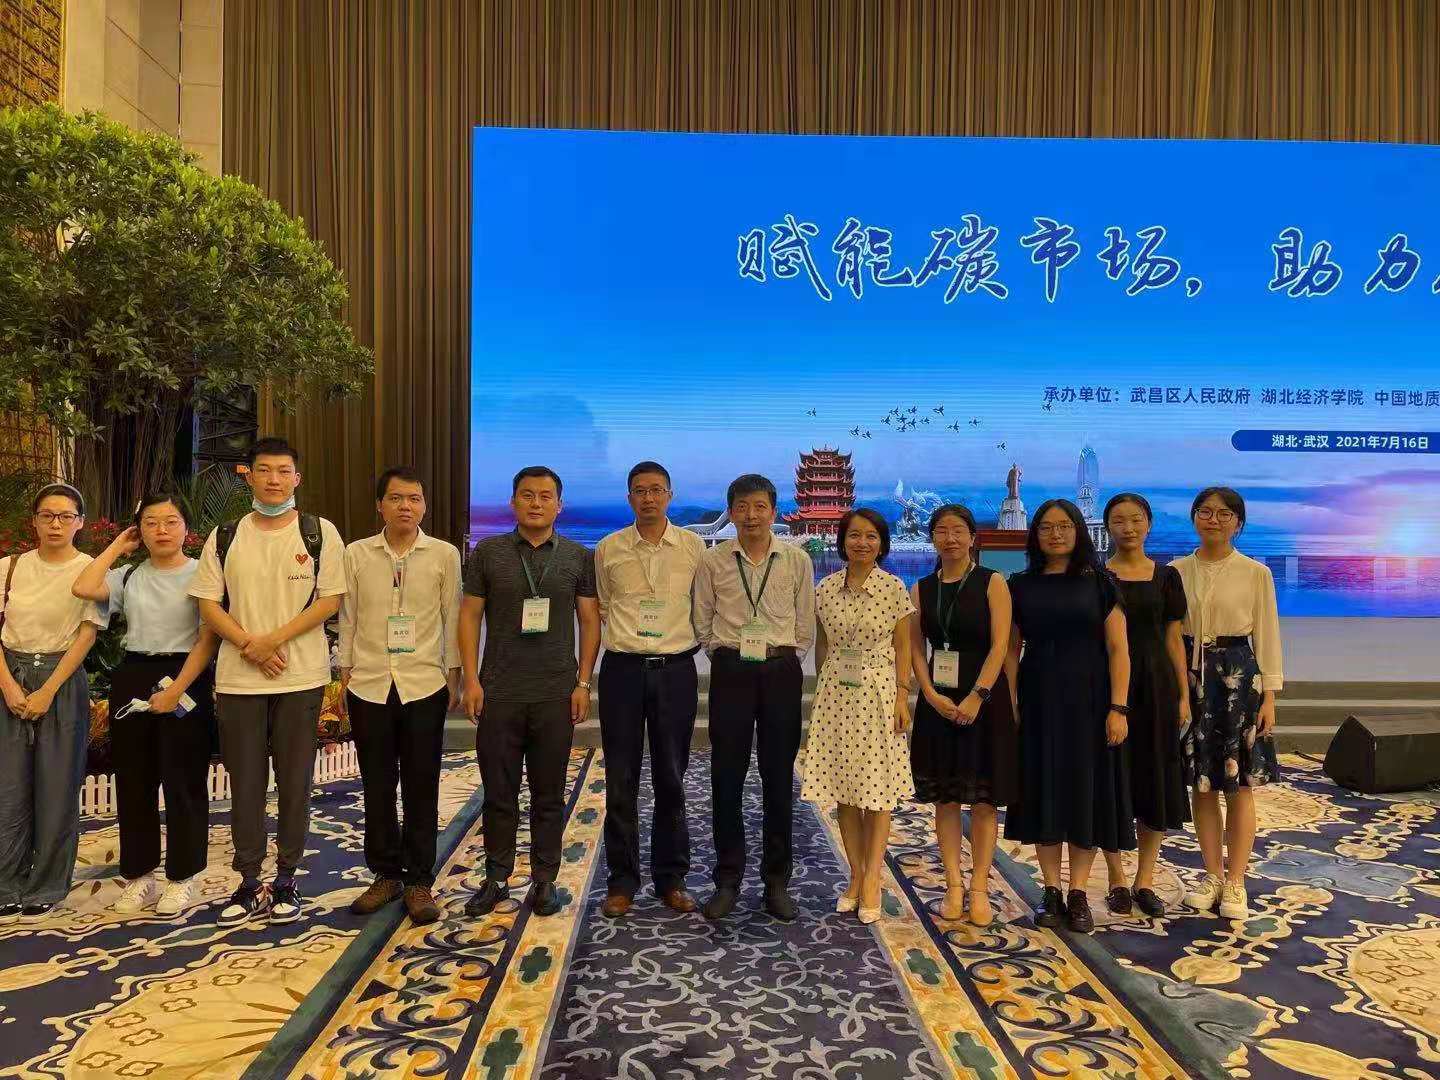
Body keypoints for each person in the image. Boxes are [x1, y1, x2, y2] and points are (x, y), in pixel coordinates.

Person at [190, 437, 346, 927]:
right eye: (264, 470)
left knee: (296, 782)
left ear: (296, 477)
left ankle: (286, 878)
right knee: (246, 784)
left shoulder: (319, 533)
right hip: (239, 681)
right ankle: (248, 879)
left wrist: (271, 641)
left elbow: (329, 601)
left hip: (299, 677)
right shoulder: (225, 536)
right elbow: (208, 603)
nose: (274, 479)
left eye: (283, 471)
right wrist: (247, 643)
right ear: (249, 476)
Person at [460, 466, 600, 919]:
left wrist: (583, 682)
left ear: (560, 505)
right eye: (527, 495)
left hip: (555, 692)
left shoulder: (578, 556)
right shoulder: (488, 553)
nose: (536, 503)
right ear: (513, 502)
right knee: (498, 793)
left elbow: (590, 621)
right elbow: (469, 616)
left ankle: (544, 880)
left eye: (545, 496)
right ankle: (496, 878)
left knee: (548, 794)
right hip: (499, 692)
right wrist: (471, 679)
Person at [72, 492, 220, 917]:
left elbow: (208, 637)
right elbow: (83, 586)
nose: (161, 530)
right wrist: (119, 546)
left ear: (186, 528)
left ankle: (183, 877)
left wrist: (177, 689)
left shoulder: (202, 574)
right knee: (134, 781)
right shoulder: (130, 574)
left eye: (171, 522)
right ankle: (139, 876)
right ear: (140, 530)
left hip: (185, 674)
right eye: (151, 523)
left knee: (183, 780)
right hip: (134, 673)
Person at [338, 467, 461, 926]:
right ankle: (386, 874)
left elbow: (452, 615)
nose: (405, 506)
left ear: (424, 506)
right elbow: (347, 615)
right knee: (377, 784)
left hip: (423, 683)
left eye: (414, 498)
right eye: (395, 498)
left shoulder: (444, 554)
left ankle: (419, 879)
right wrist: (345, 670)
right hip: (369, 683)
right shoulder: (357, 553)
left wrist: (453, 673)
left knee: (421, 784)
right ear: (380, 505)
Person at [1004, 498, 1133, 934]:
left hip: (1091, 702)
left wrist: (1118, 707)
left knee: (1084, 794)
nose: (1055, 534)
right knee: (1044, 792)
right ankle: (1052, 891)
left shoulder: (1100, 582)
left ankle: (1078, 892)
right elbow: (1011, 651)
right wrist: (1011, 701)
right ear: (1035, 535)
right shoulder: (1021, 585)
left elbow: (1119, 649)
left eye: (1063, 526)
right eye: (1046, 527)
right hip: (1039, 699)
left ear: (1077, 531)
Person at [693, 474, 815, 921]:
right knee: (726, 777)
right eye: (742, 507)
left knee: (778, 778)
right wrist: (722, 654)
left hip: (780, 670)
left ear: (773, 511)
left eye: (759, 506)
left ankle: (776, 882)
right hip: (731, 670)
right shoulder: (714, 560)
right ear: (731, 512)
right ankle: (727, 880)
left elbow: (805, 620)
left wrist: (789, 656)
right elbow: (702, 617)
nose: (751, 515)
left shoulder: (796, 559)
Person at [593, 462, 704, 918]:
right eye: (640, 491)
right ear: (629, 498)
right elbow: (603, 605)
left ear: (670, 495)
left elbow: (702, 604)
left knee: (672, 777)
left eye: (657, 490)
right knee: (620, 778)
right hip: (622, 670)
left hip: (675, 670)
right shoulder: (609, 548)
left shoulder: (693, 547)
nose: (648, 498)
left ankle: (671, 878)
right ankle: (621, 882)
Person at [1173, 487, 1282, 921]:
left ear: (1238, 522)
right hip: (1192, 676)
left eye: (1223, 514)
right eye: (1205, 512)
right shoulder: (1176, 570)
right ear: (1194, 518)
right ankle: (1212, 875)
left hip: (1238, 678)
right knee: (1201, 783)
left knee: (1240, 785)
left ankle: (1236, 880)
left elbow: (1268, 635)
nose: (1213, 520)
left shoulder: (1256, 572)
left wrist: (1269, 694)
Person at [801, 508, 913, 925]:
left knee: (877, 792)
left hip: (878, 694)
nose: (862, 543)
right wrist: (820, 691)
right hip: (836, 695)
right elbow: (823, 646)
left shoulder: (893, 588)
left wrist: (902, 696)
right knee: (845, 791)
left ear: (881, 544)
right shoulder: (825, 588)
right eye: (854, 536)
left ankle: (872, 879)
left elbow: (904, 647)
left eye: (870, 536)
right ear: (842, 541)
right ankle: (854, 874)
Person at [908, 504, 1017, 927]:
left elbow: (1000, 645)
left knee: (984, 800)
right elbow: (916, 649)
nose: (950, 538)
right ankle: (954, 884)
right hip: (939, 700)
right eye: (941, 531)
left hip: (984, 701)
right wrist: (929, 694)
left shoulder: (993, 582)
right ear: (933, 538)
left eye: (958, 531)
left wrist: (978, 695)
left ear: (973, 537)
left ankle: (980, 886)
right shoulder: (921, 589)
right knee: (947, 798)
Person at [0, 483, 105, 917]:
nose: (56, 524)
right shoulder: (9, 567)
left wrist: (47, 690)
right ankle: (6, 883)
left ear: (80, 522)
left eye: (65, 516)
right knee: (8, 788)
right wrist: (9, 686)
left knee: (57, 787)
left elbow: (87, 635)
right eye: (47, 515)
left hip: (61, 679)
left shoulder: (91, 570)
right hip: (10, 673)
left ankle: (45, 886)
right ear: (35, 521)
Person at [1100, 493, 1190, 919]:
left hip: (1156, 686)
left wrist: (1183, 694)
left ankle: (1145, 880)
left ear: (1149, 524)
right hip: (1109, 688)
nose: (1128, 528)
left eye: (1136, 519)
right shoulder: (1097, 576)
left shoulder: (1167, 577)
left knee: (1155, 778)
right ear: (1108, 527)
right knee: (1111, 780)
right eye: (1119, 520)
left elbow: (1174, 639)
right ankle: (1116, 878)